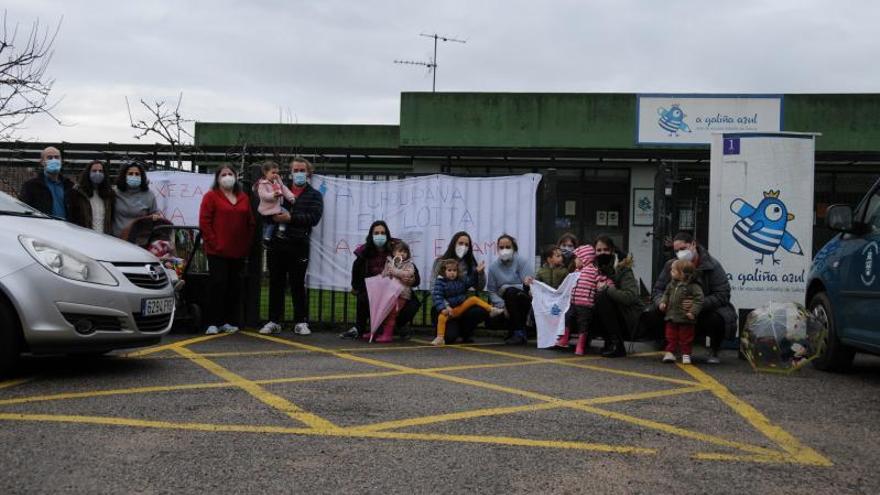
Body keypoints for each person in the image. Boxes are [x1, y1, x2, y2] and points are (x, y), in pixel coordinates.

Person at [647, 231, 737, 364]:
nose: (680, 253)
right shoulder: (671, 265)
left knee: (717, 318)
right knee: (653, 312)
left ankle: (714, 349)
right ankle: (669, 346)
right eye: (676, 251)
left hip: (703, 311)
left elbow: (723, 294)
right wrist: (663, 302)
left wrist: (697, 305)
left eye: (683, 249)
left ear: (693, 244)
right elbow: (657, 290)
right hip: (675, 311)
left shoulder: (712, 265)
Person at [261, 157, 324, 336]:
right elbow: (266, 208)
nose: (298, 173)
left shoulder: (314, 195)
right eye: (295, 170)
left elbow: (314, 218)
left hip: (299, 245)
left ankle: (301, 321)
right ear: (290, 172)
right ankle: (274, 321)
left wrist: (291, 219)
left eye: (301, 170)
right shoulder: (279, 189)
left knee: (297, 283)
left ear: (308, 172)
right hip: (277, 243)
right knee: (276, 283)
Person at [199, 165, 255, 335]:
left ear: (236, 177)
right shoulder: (210, 196)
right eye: (224, 174)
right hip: (217, 251)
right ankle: (212, 322)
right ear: (217, 178)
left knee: (234, 287)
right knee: (218, 285)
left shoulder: (243, 197)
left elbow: (250, 222)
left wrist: (246, 243)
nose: (227, 177)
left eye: (230, 174)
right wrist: (214, 243)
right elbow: (205, 222)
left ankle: (229, 321)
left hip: (237, 251)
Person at [430, 232, 489, 344]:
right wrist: (445, 306)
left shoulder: (470, 263)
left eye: (467, 245)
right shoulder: (440, 261)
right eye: (460, 243)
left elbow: (480, 287)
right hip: (443, 307)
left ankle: (464, 333)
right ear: (453, 244)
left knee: (480, 311)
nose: (464, 247)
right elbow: (433, 288)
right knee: (449, 338)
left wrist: (480, 273)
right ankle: (447, 332)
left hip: (461, 306)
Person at [591, 236, 644, 358]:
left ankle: (617, 345)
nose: (602, 253)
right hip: (611, 315)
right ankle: (605, 341)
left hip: (628, 315)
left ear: (613, 251)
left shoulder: (623, 270)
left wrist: (607, 288)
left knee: (602, 297)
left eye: (606, 250)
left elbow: (629, 297)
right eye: (598, 250)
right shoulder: (592, 269)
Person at [432, 259, 503, 346]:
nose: (452, 273)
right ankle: (440, 337)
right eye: (449, 270)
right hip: (449, 310)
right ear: (444, 271)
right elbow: (437, 296)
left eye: (454, 270)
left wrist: (476, 272)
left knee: (473, 299)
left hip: (461, 308)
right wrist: (443, 308)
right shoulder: (440, 282)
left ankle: (491, 309)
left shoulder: (461, 280)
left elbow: (470, 281)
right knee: (441, 318)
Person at [345, 220, 395, 339]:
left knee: (410, 303)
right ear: (371, 235)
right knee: (363, 297)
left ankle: (394, 327)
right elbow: (356, 269)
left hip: (391, 290)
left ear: (387, 235)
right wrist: (355, 286)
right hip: (371, 290)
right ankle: (360, 328)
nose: (380, 236)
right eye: (376, 233)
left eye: (383, 233)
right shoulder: (364, 251)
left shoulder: (395, 250)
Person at [486, 234, 535, 345]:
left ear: (514, 248)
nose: (504, 250)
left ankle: (518, 332)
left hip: (523, 299)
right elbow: (491, 291)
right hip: (504, 302)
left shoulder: (522, 262)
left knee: (511, 292)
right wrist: (502, 305)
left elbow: (529, 285)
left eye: (508, 247)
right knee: (509, 295)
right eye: (501, 247)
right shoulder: (493, 267)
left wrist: (506, 287)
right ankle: (517, 331)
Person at [569, 244, 615, 356]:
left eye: (577, 258)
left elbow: (602, 278)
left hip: (586, 304)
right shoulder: (576, 272)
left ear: (584, 258)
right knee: (568, 318)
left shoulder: (593, 270)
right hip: (573, 302)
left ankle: (580, 346)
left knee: (583, 324)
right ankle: (564, 339)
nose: (575, 260)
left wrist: (609, 284)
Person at [659, 259, 704, 364]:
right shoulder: (671, 284)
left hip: (686, 317)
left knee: (686, 337)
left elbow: (699, 300)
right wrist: (663, 302)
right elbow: (666, 294)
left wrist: (693, 312)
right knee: (670, 336)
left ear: (683, 274)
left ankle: (686, 354)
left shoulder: (693, 286)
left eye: (673, 271)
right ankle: (670, 352)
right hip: (671, 316)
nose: (671, 272)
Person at [374, 241, 418, 343]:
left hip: (402, 294)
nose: (402, 254)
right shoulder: (389, 262)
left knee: (392, 314)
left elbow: (408, 274)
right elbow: (384, 275)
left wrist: (394, 272)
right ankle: (379, 332)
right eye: (400, 251)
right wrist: (387, 273)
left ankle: (388, 334)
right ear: (393, 252)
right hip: (389, 293)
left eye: (405, 252)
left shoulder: (409, 264)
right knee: (385, 312)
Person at [19, 146, 73, 219]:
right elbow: (24, 210)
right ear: (42, 162)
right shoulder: (31, 186)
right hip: (43, 227)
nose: (54, 160)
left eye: (57, 157)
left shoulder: (69, 186)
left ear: (61, 161)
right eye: (49, 158)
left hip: (67, 228)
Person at [112, 161, 160, 238]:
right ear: (124, 176)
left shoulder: (149, 194)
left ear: (142, 177)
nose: (134, 176)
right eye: (130, 174)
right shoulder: (115, 193)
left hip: (140, 241)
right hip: (117, 239)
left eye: (137, 174)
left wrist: (156, 216)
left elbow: (155, 213)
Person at [68, 160, 115, 234]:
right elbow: (72, 217)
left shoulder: (109, 195)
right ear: (88, 173)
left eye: (100, 171)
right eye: (94, 171)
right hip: (85, 237)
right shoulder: (78, 193)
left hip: (105, 237)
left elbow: (111, 218)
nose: (97, 173)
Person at [254, 161, 295, 243]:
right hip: (268, 209)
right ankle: (267, 238)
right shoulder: (262, 184)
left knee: (284, 215)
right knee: (270, 224)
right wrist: (273, 195)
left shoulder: (277, 182)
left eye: (277, 173)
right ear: (265, 172)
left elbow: (284, 189)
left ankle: (279, 231)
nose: (275, 175)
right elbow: (263, 195)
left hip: (276, 207)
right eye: (273, 173)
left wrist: (291, 197)